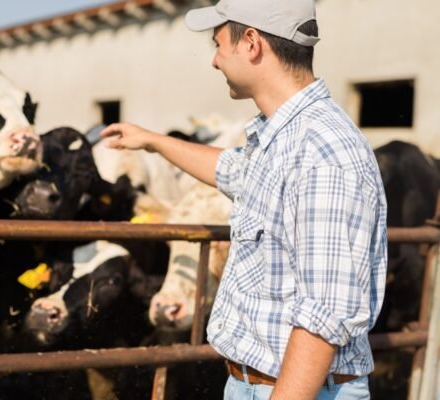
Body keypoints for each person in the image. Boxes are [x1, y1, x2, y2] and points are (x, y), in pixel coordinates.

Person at [100, 0, 387, 398]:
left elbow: (324, 317)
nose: (215, 61)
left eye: (218, 45)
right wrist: (153, 142)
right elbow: (230, 170)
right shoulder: (285, 140)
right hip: (256, 383)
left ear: (252, 43)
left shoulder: (322, 153)